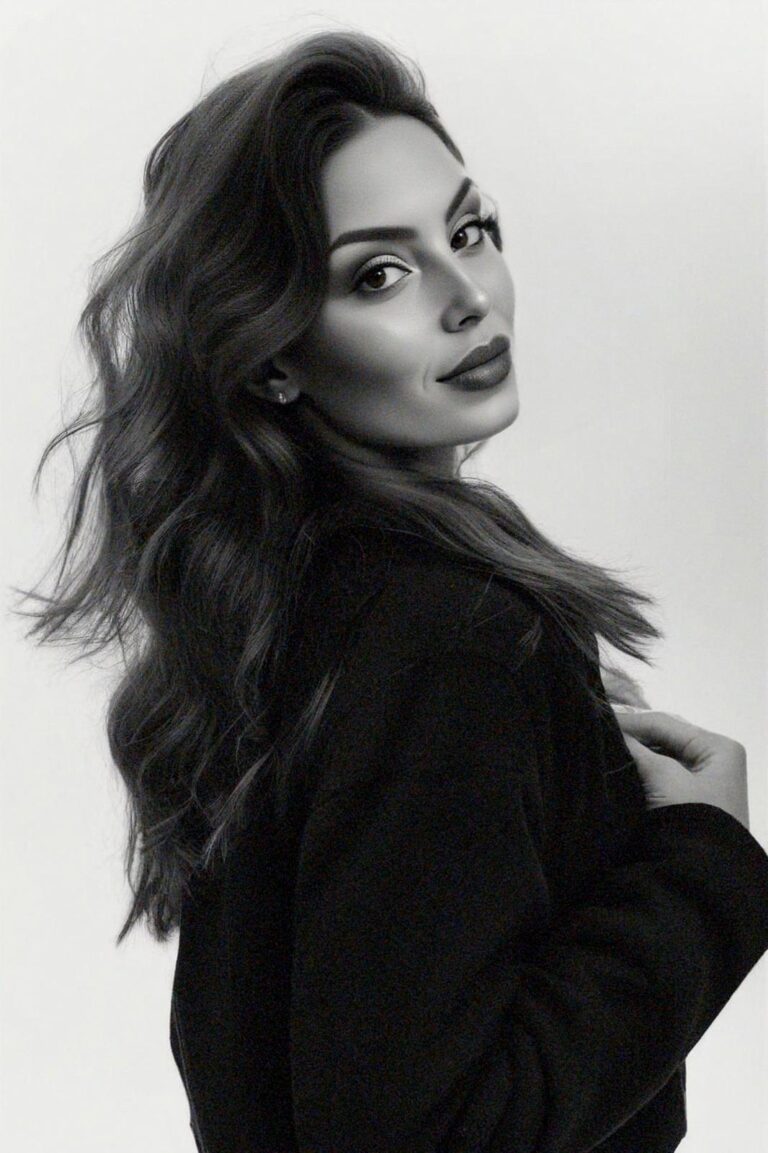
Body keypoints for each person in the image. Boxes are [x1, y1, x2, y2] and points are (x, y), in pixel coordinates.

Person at [16, 29, 768, 1153]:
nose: (468, 297)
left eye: (468, 231)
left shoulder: (299, 604)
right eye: (379, 274)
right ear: (273, 354)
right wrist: (705, 864)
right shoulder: (443, 634)